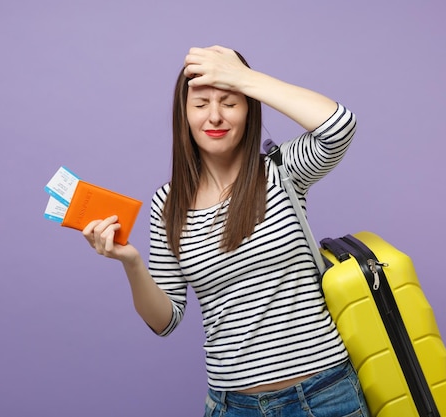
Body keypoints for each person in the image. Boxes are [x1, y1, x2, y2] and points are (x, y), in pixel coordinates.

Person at [83, 45, 369, 417]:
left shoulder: (281, 172)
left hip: (326, 396)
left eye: (230, 102)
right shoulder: (168, 206)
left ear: (249, 108)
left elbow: (339, 125)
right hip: (232, 407)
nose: (215, 116)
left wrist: (242, 77)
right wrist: (131, 262)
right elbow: (165, 320)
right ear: (183, 114)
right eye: (201, 104)